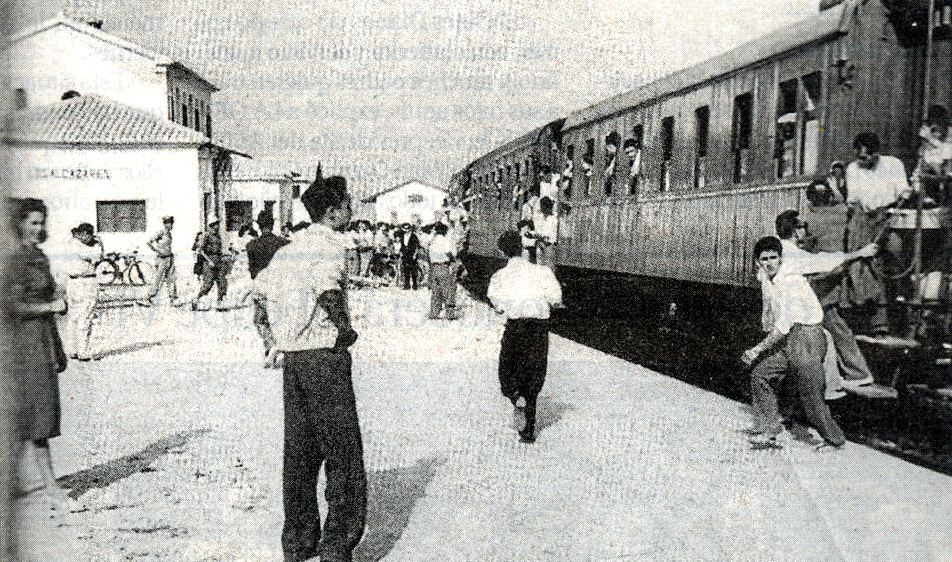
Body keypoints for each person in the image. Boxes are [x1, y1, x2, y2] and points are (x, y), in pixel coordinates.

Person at [252, 175, 366, 562]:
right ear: (333, 213)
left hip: (295, 361)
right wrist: (345, 329)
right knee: (342, 452)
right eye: (348, 204)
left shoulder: (289, 248)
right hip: (324, 358)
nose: (352, 210)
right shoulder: (332, 245)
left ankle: (298, 544)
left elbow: (259, 295)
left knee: (299, 454)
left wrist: (272, 341)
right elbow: (329, 289)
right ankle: (337, 546)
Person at [742, 236, 847, 450]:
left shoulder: (791, 280)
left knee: (811, 394)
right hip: (790, 339)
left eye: (774, 258)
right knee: (761, 374)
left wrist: (758, 349)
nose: (770, 262)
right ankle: (769, 429)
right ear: (758, 262)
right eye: (765, 259)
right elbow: (770, 317)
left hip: (807, 337)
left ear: (780, 259)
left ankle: (835, 440)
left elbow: (784, 324)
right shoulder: (768, 279)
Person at [4, 198, 72, 510]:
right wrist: (51, 305)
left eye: (41, 222)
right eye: (33, 222)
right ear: (18, 225)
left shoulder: (38, 257)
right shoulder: (15, 260)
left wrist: (57, 348)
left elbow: (47, 307)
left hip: (40, 342)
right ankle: (50, 486)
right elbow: (11, 308)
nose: (39, 228)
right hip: (20, 347)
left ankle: (43, 485)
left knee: (37, 417)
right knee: (31, 417)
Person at [774, 209, 879, 389]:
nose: (807, 231)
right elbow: (825, 261)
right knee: (837, 327)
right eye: (804, 227)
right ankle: (859, 373)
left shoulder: (781, 250)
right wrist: (861, 252)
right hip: (800, 308)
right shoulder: (792, 253)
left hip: (785, 307)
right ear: (796, 230)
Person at [487, 230, 563, 444]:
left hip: (516, 327)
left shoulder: (499, 277)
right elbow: (556, 299)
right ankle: (528, 431)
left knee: (507, 371)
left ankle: (514, 395)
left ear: (502, 252)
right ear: (522, 248)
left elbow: (498, 305)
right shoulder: (543, 272)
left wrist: (505, 305)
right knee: (534, 374)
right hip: (539, 328)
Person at [843, 132, 913, 335]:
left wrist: (904, 195)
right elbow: (854, 200)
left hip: (891, 217)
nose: (860, 161)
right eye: (858, 157)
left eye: (864, 158)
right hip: (865, 219)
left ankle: (904, 317)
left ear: (875, 154)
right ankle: (878, 323)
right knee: (867, 267)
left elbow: (903, 191)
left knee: (895, 260)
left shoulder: (893, 165)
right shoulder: (853, 169)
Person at [246, 209, 289, 366]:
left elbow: (252, 272)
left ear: (258, 226)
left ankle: (270, 345)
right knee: (281, 318)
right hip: (281, 285)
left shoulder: (251, 245)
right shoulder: (284, 243)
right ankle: (279, 347)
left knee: (260, 319)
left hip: (262, 285)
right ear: (272, 224)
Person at [63, 222, 102, 361]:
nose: (86, 237)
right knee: (81, 317)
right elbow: (93, 256)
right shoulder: (78, 245)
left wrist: (96, 244)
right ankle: (81, 351)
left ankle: (73, 350)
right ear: (79, 234)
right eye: (83, 233)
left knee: (78, 316)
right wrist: (98, 243)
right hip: (81, 282)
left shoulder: (74, 243)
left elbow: (97, 257)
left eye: (88, 234)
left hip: (81, 281)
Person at [191, 216, 227, 311]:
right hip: (208, 262)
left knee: (222, 282)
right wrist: (209, 261)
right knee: (208, 284)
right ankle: (196, 300)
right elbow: (200, 250)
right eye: (215, 224)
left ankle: (219, 304)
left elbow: (219, 250)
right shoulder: (206, 236)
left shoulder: (218, 236)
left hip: (218, 261)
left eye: (217, 224)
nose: (217, 226)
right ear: (211, 225)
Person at [143, 215, 177, 306]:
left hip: (169, 258)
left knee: (171, 279)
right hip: (161, 259)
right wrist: (157, 251)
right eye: (169, 223)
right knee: (157, 280)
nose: (171, 225)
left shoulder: (169, 234)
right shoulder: (161, 233)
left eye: (171, 223)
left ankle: (173, 299)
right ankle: (148, 298)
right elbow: (149, 242)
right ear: (165, 224)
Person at [427, 222, 459, 320]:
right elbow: (448, 252)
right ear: (444, 231)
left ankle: (434, 313)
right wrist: (453, 259)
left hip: (433, 268)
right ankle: (450, 314)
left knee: (436, 291)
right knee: (448, 290)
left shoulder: (432, 241)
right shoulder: (444, 240)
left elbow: (428, 254)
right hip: (443, 267)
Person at [533, 196, 558, 268]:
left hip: (549, 246)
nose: (541, 208)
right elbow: (538, 230)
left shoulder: (553, 219)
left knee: (549, 267)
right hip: (540, 244)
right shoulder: (539, 218)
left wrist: (545, 240)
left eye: (542, 206)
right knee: (539, 267)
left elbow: (553, 234)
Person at [399, 223, 420, 290]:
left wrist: (415, 254)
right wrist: (401, 252)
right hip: (405, 254)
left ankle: (414, 285)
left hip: (412, 254)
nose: (406, 230)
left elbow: (417, 246)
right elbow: (402, 245)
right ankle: (407, 285)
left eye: (407, 229)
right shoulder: (403, 236)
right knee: (406, 270)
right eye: (404, 229)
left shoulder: (414, 236)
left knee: (413, 270)